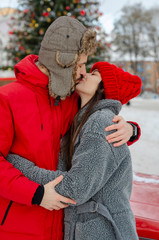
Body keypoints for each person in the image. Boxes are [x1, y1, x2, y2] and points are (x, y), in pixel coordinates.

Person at [0, 16, 140, 240]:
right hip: (20, 226)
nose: (83, 72)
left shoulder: (72, 99)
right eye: (81, 64)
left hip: (65, 228)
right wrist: (35, 194)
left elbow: (98, 128)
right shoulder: (7, 99)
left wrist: (131, 129)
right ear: (62, 61)